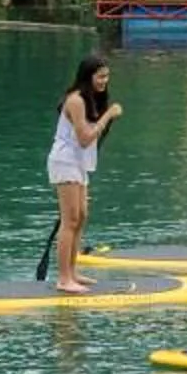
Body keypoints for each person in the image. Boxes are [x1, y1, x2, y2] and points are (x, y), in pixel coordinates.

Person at [47, 53, 122, 294]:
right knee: (69, 221)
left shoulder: (90, 100)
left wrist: (104, 115)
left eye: (107, 76)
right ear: (88, 76)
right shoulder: (76, 100)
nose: (104, 81)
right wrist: (108, 116)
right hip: (65, 161)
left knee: (80, 217)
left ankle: (73, 271)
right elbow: (84, 138)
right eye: (100, 76)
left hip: (78, 164)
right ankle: (63, 278)